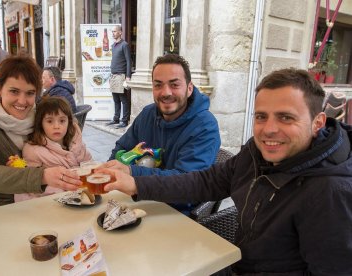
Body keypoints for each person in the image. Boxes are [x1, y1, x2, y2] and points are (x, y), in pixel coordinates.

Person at [99, 68, 352, 275]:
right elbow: (205, 181)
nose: (269, 130)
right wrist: (136, 184)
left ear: (317, 123)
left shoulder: (330, 191)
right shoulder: (256, 152)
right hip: (237, 262)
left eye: (286, 118)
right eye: (261, 117)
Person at [102, 54, 221, 215]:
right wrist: (111, 171)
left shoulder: (205, 126)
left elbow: (186, 183)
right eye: (158, 85)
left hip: (176, 214)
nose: (166, 92)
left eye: (174, 85)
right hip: (136, 203)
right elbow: (122, 148)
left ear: (189, 88)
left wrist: (132, 172)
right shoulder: (148, 114)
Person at [0, 56, 81, 211]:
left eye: (30, 93)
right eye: (14, 91)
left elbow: (68, 129)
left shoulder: (38, 114)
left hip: (44, 197)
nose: (22, 101)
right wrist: (42, 176)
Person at [15, 97, 92, 202]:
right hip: (52, 201)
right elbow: (30, 184)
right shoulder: (33, 150)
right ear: (40, 123)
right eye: (50, 121)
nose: (56, 126)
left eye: (62, 121)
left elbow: (90, 165)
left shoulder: (77, 143)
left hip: (84, 196)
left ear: (69, 122)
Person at [106, 25, 132, 129]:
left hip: (121, 75)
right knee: (115, 99)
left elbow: (129, 61)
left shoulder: (124, 45)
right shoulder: (113, 46)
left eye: (115, 31)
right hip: (113, 75)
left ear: (120, 32)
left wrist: (128, 76)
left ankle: (124, 121)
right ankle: (116, 118)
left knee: (123, 99)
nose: (113, 33)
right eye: (112, 32)